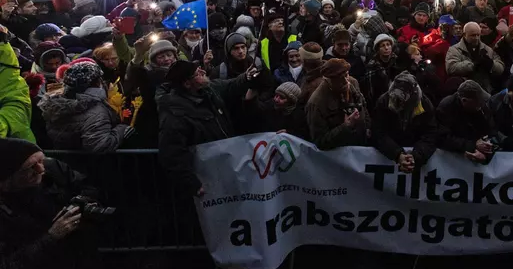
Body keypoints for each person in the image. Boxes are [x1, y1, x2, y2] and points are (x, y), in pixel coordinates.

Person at [0, 139, 101, 269]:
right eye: (30, 167)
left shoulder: (52, 168)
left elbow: (88, 187)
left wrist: (79, 204)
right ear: (6, 179)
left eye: (41, 160)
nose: (41, 170)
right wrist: (52, 236)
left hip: (77, 259)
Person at [157, 60, 257, 196]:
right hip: (205, 180)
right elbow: (172, 153)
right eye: (198, 73)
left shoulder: (209, 91)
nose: (203, 72)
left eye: (200, 68)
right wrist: (192, 184)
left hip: (226, 169)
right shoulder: (175, 112)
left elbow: (230, 85)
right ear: (187, 83)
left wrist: (246, 77)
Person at [40, 60, 133, 153]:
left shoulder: (57, 102)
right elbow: (99, 145)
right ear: (98, 82)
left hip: (65, 161)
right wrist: (121, 129)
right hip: (89, 165)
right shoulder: (96, 111)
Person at [371, 71, 440, 171]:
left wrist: (416, 156)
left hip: (413, 151)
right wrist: (397, 154)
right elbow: (378, 132)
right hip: (391, 152)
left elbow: (431, 135)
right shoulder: (384, 101)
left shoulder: (425, 105)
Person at [305, 58, 370, 150]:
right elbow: (320, 142)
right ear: (328, 79)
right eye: (339, 78)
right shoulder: (316, 103)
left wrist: (367, 128)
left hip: (360, 147)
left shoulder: (353, 83)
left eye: (346, 75)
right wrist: (345, 127)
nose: (345, 81)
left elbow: (363, 107)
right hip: (339, 155)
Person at [436, 80, 493, 163]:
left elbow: (487, 130)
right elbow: (443, 139)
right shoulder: (446, 108)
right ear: (464, 100)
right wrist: (473, 146)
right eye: (477, 102)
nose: (480, 105)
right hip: (452, 160)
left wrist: (485, 149)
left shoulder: (478, 108)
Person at [445, 22, 504, 92]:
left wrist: (491, 64)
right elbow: (451, 68)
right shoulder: (455, 50)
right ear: (464, 35)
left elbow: (501, 68)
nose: (476, 38)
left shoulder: (487, 49)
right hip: (464, 87)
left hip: (485, 89)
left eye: (478, 35)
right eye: (473, 35)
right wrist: (472, 65)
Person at [242, 81, 310, 139]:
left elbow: (304, 136)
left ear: (291, 101)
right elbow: (255, 109)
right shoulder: (269, 106)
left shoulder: (299, 116)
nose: (276, 99)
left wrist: (289, 134)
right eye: (276, 95)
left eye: (282, 97)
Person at [361, 34, 398, 107]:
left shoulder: (397, 61)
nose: (386, 48)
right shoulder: (372, 67)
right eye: (383, 46)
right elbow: (370, 92)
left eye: (388, 44)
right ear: (378, 49)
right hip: (380, 104)